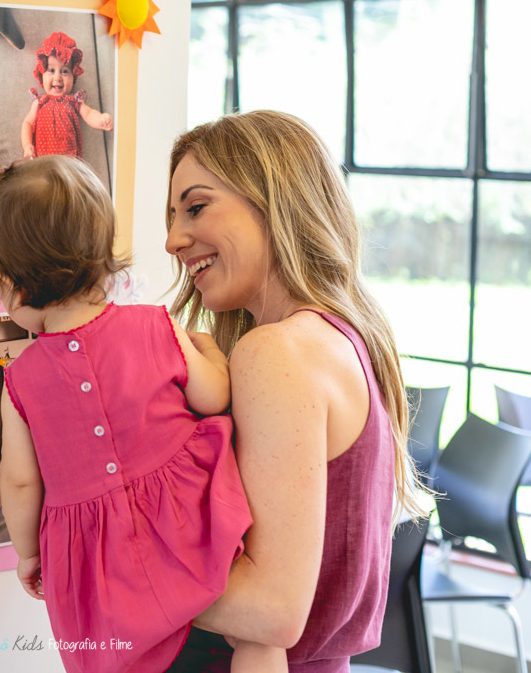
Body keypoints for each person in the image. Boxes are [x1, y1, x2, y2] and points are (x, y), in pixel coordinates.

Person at [0, 155, 282, 673]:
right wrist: (205, 349)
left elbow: (21, 484)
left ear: (14, 284)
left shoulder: (21, 380)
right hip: (188, 520)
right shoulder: (155, 326)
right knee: (256, 639)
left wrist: (29, 554)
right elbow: (214, 396)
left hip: (101, 556)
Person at [162, 110, 427, 672]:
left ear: (272, 200)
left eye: (196, 206)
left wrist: (105, 562)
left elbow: (273, 612)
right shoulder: (347, 338)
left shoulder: (276, 351)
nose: (172, 239)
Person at [20, 31, 113, 160]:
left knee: (67, 179)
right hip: (42, 160)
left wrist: (101, 120)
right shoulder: (39, 102)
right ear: (41, 74)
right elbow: (27, 124)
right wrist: (27, 145)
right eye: (51, 70)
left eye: (64, 71)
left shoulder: (74, 101)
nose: (57, 77)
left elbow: (88, 114)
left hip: (69, 162)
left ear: (73, 76)